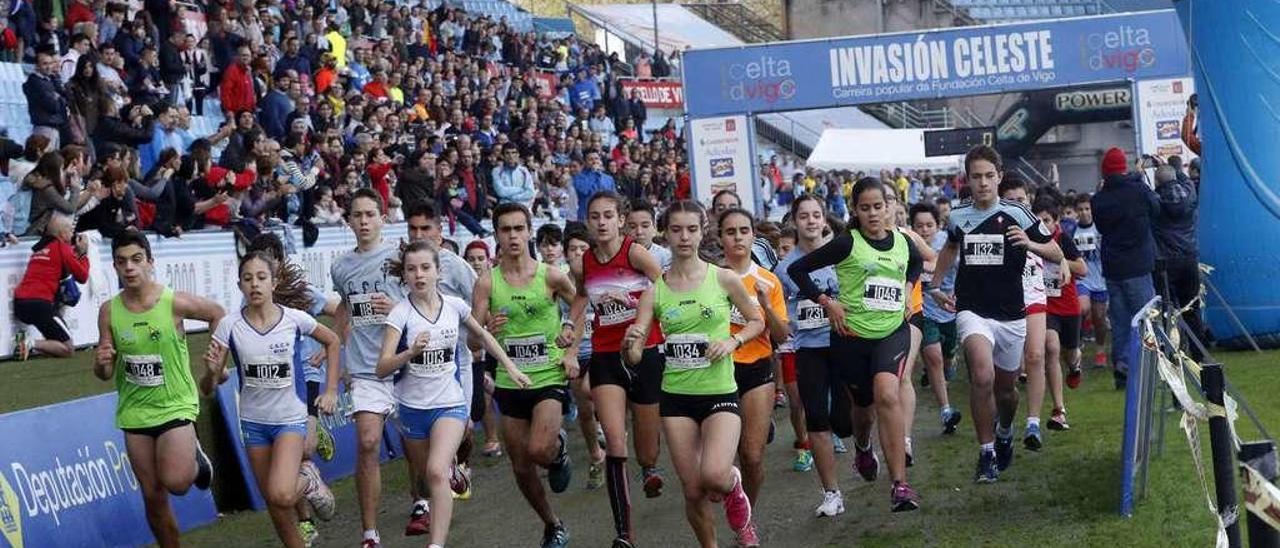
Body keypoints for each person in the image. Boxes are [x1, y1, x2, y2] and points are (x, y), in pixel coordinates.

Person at [622, 199, 762, 548]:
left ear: (703, 232)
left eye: (691, 229)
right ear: (664, 234)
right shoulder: (654, 292)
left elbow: (757, 321)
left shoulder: (724, 278)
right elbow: (636, 356)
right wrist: (631, 344)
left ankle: (735, 489)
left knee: (714, 475)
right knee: (693, 489)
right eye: (676, 230)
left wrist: (733, 341)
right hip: (677, 398)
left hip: (719, 393)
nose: (684, 237)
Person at [376, 241, 532, 548]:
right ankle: (453, 471)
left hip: (449, 403)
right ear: (404, 275)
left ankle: (436, 544)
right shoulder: (400, 315)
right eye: (411, 269)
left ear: (438, 271)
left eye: (425, 268)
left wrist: (510, 368)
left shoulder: (455, 307)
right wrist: (410, 352)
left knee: (435, 474)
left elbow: (483, 336)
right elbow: (382, 368)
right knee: (428, 478)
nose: (419, 275)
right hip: (410, 408)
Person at [787, 178, 924, 512]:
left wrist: (906, 291)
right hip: (851, 338)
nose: (874, 213)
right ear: (855, 211)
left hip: (892, 332)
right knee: (862, 410)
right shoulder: (847, 242)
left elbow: (917, 263)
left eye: (879, 206)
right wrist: (826, 302)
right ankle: (863, 448)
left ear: (890, 206)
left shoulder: (903, 242)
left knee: (887, 394)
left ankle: (899, 485)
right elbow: (797, 269)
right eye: (865, 208)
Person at [928, 146, 1062, 483]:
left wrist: (1030, 244)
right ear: (968, 180)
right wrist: (934, 285)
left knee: (1006, 390)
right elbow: (949, 249)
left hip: (1011, 315)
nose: (983, 183)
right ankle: (985, 452)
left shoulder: (1018, 213)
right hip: (973, 310)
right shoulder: (958, 217)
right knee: (982, 375)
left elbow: (1056, 253)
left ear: (999, 177)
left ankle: (1004, 432)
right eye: (976, 177)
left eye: (989, 176)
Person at [200, 252, 340, 548]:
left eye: (261, 278)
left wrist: (330, 390)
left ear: (274, 283)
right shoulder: (229, 325)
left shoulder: (294, 319)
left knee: (283, 494)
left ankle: (310, 481)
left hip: (290, 420)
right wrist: (212, 373)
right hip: (253, 422)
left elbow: (333, 340)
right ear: (239, 285)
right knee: (274, 502)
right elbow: (208, 387)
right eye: (248, 279)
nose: (255, 284)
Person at [93, 232, 223, 548]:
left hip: (175, 404)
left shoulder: (172, 302)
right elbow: (105, 373)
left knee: (177, 482)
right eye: (122, 262)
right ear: (115, 266)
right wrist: (102, 361)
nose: (130, 267)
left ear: (150, 262)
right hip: (135, 411)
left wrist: (216, 363)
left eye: (136, 259)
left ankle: (197, 461)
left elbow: (217, 314)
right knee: (152, 496)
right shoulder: (109, 311)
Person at [471, 202, 578, 548]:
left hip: (548, 374)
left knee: (539, 449)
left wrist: (567, 328)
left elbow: (581, 304)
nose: (513, 236)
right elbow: (472, 337)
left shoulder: (550, 275)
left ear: (529, 231)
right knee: (520, 466)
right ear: (497, 235)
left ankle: (558, 449)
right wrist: (486, 327)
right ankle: (552, 524)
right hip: (509, 379)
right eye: (506, 230)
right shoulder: (487, 282)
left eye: (519, 228)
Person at [567, 192, 665, 547]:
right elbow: (580, 296)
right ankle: (624, 533)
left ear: (620, 220)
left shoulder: (635, 253)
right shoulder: (584, 263)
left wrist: (642, 315)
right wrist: (570, 327)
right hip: (606, 355)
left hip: (645, 351)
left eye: (609, 215)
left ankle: (649, 468)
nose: (602, 222)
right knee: (614, 439)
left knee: (647, 446)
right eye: (595, 217)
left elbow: (662, 284)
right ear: (588, 222)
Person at [330, 188, 406, 548]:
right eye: (357, 215)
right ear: (349, 221)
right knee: (367, 442)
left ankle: (423, 499)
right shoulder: (341, 266)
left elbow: (423, 303)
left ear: (383, 218)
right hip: (366, 368)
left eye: (369, 214)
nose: (363, 221)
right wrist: (334, 345)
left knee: (419, 444)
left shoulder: (399, 258)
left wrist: (395, 307)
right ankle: (370, 533)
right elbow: (344, 307)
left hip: (406, 364)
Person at [717, 206, 788, 527]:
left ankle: (746, 519)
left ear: (753, 235)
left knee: (753, 456)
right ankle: (731, 494)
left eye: (743, 231)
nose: (737, 238)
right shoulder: (710, 278)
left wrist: (762, 305)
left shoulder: (768, 281)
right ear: (721, 238)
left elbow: (782, 335)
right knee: (718, 464)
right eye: (730, 232)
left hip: (757, 369)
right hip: (717, 373)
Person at [1090, 147, 1159, 390]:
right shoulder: (1138, 190)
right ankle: (1152, 366)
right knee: (1145, 318)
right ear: (1123, 167)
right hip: (1138, 265)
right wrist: (1138, 177)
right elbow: (1157, 207)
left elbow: (1099, 225)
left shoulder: (1098, 199)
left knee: (1119, 320)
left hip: (1113, 267)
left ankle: (1121, 366)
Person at [998, 175, 1050, 451]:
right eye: (1012, 201)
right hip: (1003, 302)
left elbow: (1056, 250)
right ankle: (1003, 421)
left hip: (1033, 295)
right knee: (1008, 371)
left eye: (1022, 200)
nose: (1018, 206)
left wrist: (1061, 262)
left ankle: (1033, 422)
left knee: (1036, 355)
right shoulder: (993, 225)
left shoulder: (1036, 225)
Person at [1033, 196, 1087, 430]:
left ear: (1057, 222)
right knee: (1051, 347)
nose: (1043, 225)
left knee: (1070, 352)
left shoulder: (1063, 239)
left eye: (1047, 220)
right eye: (1038, 220)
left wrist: (1059, 258)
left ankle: (1075, 366)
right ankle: (1059, 409)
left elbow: (1082, 269)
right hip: (1045, 305)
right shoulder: (1030, 241)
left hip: (1068, 305)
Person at [909, 202, 962, 435]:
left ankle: (950, 363)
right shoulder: (908, 246)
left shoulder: (948, 243)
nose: (925, 230)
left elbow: (961, 269)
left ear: (938, 226)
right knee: (934, 357)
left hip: (950, 307)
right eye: (919, 226)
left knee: (948, 355)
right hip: (923, 310)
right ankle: (946, 410)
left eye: (929, 225)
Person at [12, 213, 88, 359]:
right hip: (40, 303)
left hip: (21, 303)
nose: (73, 234)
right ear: (62, 233)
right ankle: (29, 342)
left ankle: (28, 345)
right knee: (68, 348)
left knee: (55, 338)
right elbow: (82, 276)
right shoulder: (61, 246)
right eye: (70, 230)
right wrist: (83, 254)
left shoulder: (40, 248)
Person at [1151, 163, 1205, 360]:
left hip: (1166, 263)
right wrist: (1174, 170)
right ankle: (1199, 354)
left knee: (1167, 311)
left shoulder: (1155, 201)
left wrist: (1141, 174)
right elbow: (1187, 180)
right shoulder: (1190, 195)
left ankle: (1172, 353)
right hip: (1189, 259)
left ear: (1157, 181)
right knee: (1191, 308)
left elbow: (1144, 193)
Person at [1072, 193, 1109, 369]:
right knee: (1082, 307)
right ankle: (1077, 342)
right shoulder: (1072, 231)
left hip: (1100, 279)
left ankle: (1100, 351)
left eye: (1087, 209)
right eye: (1080, 209)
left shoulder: (1100, 229)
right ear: (1076, 212)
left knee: (1100, 319)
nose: (1084, 212)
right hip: (1082, 280)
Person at [624, 198, 671, 271]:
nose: (639, 232)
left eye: (645, 226)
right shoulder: (616, 257)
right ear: (624, 228)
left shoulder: (666, 258)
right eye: (633, 227)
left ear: (654, 227)